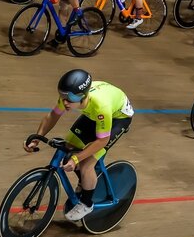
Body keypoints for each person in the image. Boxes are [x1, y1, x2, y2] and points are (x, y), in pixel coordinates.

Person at [24, 70, 133, 222]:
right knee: (69, 146)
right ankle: (86, 181)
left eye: (70, 98)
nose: (65, 102)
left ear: (82, 95)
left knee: (86, 164)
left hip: (117, 118)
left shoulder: (101, 107)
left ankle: (87, 203)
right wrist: (37, 137)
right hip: (93, 114)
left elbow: (102, 141)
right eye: (63, 96)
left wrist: (77, 159)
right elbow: (52, 116)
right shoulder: (69, 98)